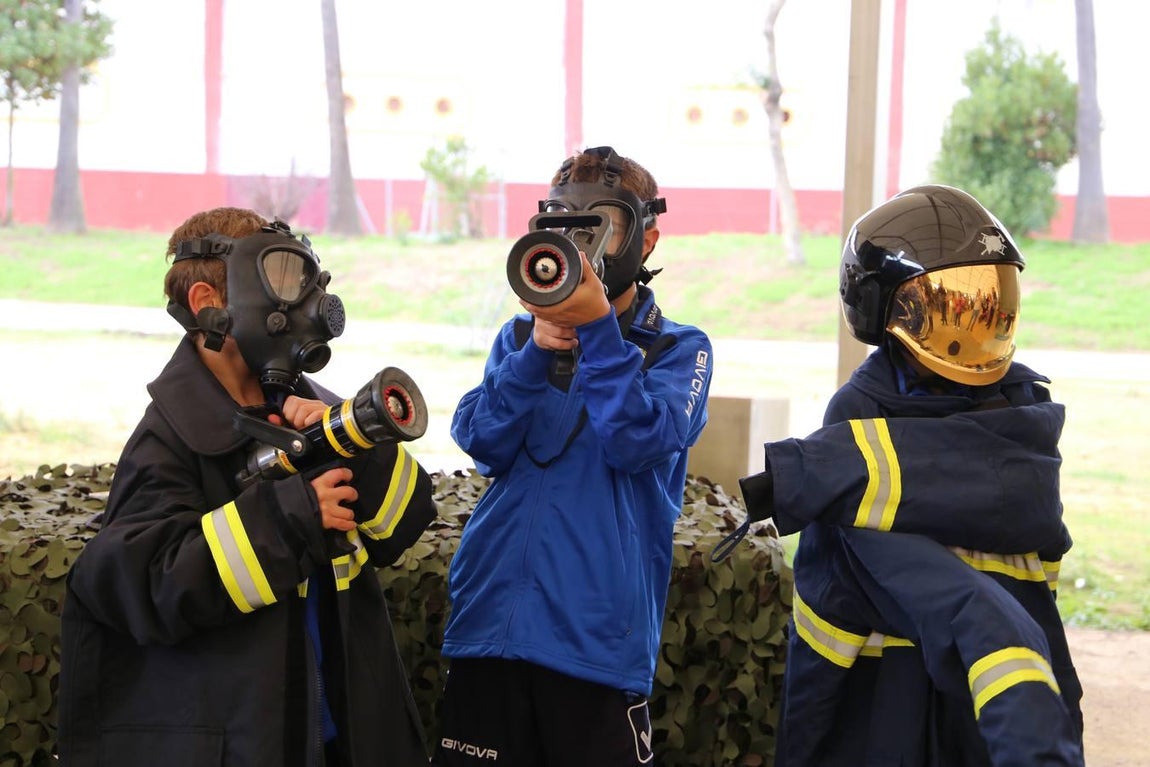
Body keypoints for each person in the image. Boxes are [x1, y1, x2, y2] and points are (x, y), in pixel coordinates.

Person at [57, 207, 438, 767]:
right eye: (279, 279)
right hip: (251, 740)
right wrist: (290, 519)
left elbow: (404, 522)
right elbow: (152, 583)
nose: (307, 303)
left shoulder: (303, 406)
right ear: (208, 303)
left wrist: (355, 447)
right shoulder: (169, 439)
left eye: (307, 280)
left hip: (340, 734)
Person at [737, 185, 1085, 765]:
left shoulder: (1020, 407)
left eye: (988, 301)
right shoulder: (858, 413)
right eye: (952, 306)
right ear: (881, 307)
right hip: (878, 703)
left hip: (992, 704)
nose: (977, 324)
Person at [433, 147, 713, 766]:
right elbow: (482, 440)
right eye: (564, 228)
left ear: (645, 239)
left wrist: (600, 335)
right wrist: (536, 350)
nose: (582, 250)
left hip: (594, 650)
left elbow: (637, 439)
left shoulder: (679, 349)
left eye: (601, 229)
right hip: (490, 630)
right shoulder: (517, 336)